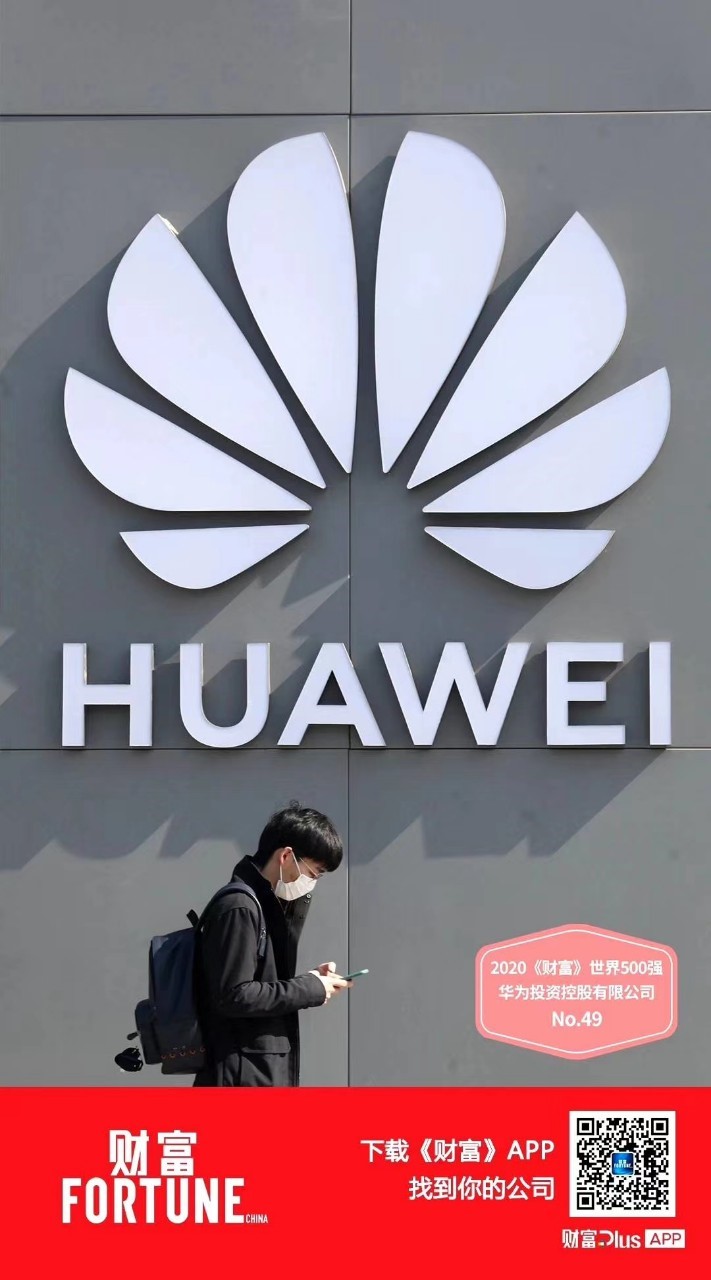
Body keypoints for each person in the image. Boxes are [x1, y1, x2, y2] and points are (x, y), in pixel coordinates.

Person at [193, 802, 351, 1087]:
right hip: (241, 1077)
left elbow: (257, 985)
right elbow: (235, 995)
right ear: (286, 856)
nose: (313, 883)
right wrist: (310, 989)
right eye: (314, 873)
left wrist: (313, 981)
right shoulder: (240, 906)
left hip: (253, 1072)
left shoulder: (261, 904)